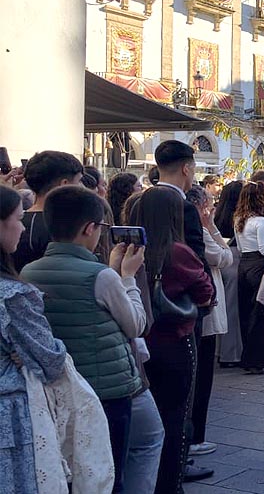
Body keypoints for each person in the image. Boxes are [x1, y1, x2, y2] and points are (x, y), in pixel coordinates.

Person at [22, 184, 146, 490]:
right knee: (107, 472)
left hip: (56, 389)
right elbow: (135, 325)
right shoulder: (101, 276)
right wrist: (127, 277)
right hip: (106, 388)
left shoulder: (28, 272)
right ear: (90, 228)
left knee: (70, 470)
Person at [126, 186, 214, 494]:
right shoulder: (177, 250)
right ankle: (170, 484)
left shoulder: (125, 249)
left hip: (138, 340)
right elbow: (205, 291)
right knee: (175, 415)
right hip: (174, 338)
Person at [0, 185, 70, 493]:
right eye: (18, 219)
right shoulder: (13, 295)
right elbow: (50, 359)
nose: (23, 227)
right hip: (9, 415)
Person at [185, 185, 233, 458]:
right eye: (209, 206)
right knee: (202, 375)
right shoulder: (200, 232)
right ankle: (195, 436)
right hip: (206, 308)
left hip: (203, 307)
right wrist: (212, 227)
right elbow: (224, 257)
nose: (212, 210)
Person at [12, 150, 84, 271]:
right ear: (64, 184)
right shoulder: (67, 227)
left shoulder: (12, 223)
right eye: (79, 181)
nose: (82, 187)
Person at [233, 182, 264, 374]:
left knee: (245, 311)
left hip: (244, 264)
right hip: (258, 266)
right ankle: (257, 359)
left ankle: (247, 357)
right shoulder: (260, 221)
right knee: (261, 312)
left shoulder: (238, 219)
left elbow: (241, 248)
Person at [214, 180, 244, 367]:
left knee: (223, 308)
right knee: (233, 310)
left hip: (220, 260)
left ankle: (220, 350)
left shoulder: (217, 215)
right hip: (235, 258)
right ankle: (230, 353)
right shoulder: (239, 217)